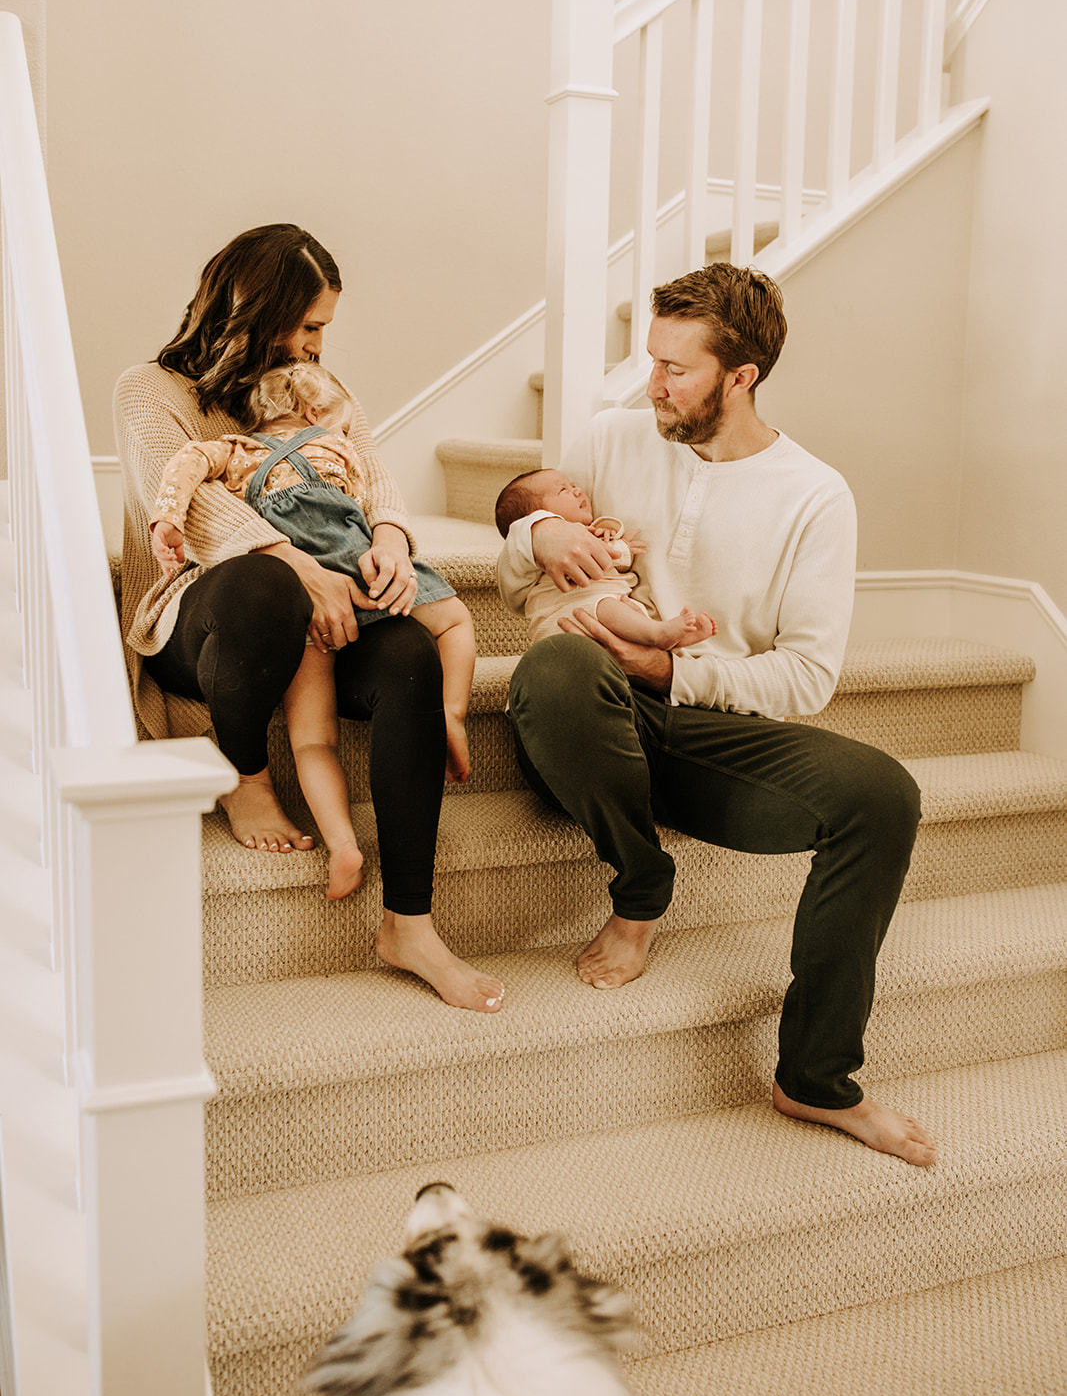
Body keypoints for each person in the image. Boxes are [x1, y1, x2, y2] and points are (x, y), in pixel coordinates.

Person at [497, 262, 935, 1162]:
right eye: (649, 359)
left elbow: (805, 679)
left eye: (676, 369)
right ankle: (637, 889)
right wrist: (533, 532)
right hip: (581, 713)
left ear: (741, 377)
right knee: (557, 667)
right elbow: (514, 574)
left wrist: (670, 669)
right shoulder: (610, 439)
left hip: (700, 727)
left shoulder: (814, 495)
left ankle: (813, 1078)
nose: (651, 383)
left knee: (881, 794)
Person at [114, 222, 503, 1012]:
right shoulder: (150, 389)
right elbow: (190, 507)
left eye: (323, 327)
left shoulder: (312, 385)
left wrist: (390, 540)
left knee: (407, 658)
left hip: (328, 607)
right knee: (268, 590)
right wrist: (295, 565)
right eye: (308, 325)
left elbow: (371, 473)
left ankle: (410, 923)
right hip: (206, 609)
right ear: (249, 312)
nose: (318, 344)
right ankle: (245, 775)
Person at [150, 359, 477, 902]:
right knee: (455, 621)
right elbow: (376, 497)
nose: (347, 433)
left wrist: (169, 517)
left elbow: (186, 463)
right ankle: (454, 712)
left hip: (306, 605)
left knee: (312, 741)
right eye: (344, 424)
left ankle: (342, 842)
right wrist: (388, 539)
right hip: (365, 573)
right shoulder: (340, 448)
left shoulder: (234, 450)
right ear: (316, 412)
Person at [494, 468, 716, 652]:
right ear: (537, 515)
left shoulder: (596, 531)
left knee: (630, 610)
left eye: (572, 485)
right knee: (605, 607)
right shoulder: (537, 553)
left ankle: (667, 642)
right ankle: (658, 634)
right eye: (564, 490)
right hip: (567, 615)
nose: (577, 490)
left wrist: (620, 546)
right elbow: (515, 568)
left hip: (608, 603)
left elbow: (612, 561)